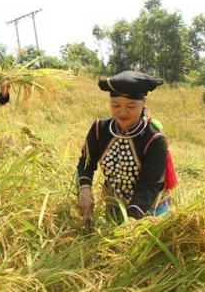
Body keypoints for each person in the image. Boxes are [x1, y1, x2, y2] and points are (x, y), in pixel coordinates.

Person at [76, 71, 177, 227]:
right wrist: (85, 190)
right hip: (114, 208)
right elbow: (86, 163)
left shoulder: (154, 139)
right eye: (115, 105)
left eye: (130, 106)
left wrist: (130, 221)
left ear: (144, 102)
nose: (122, 112)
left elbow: (150, 184)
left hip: (149, 212)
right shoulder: (99, 128)